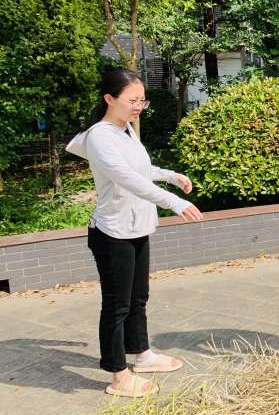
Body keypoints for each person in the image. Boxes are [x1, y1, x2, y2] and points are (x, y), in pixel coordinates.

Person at [66, 69, 203, 398]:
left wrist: (170, 175)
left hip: (137, 226)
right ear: (109, 99)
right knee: (117, 305)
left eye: (142, 100)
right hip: (113, 232)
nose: (139, 106)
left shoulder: (126, 128)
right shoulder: (100, 136)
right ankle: (118, 376)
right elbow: (127, 179)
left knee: (138, 297)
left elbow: (141, 169)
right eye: (132, 100)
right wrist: (173, 202)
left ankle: (142, 355)